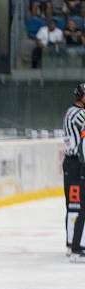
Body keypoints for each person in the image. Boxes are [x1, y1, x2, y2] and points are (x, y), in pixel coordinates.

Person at [63, 83, 85, 261]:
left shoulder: (72, 111)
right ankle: (74, 244)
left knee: (74, 204)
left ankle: (73, 243)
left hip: (73, 163)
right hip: (76, 164)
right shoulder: (78, 113)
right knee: (76, 204)